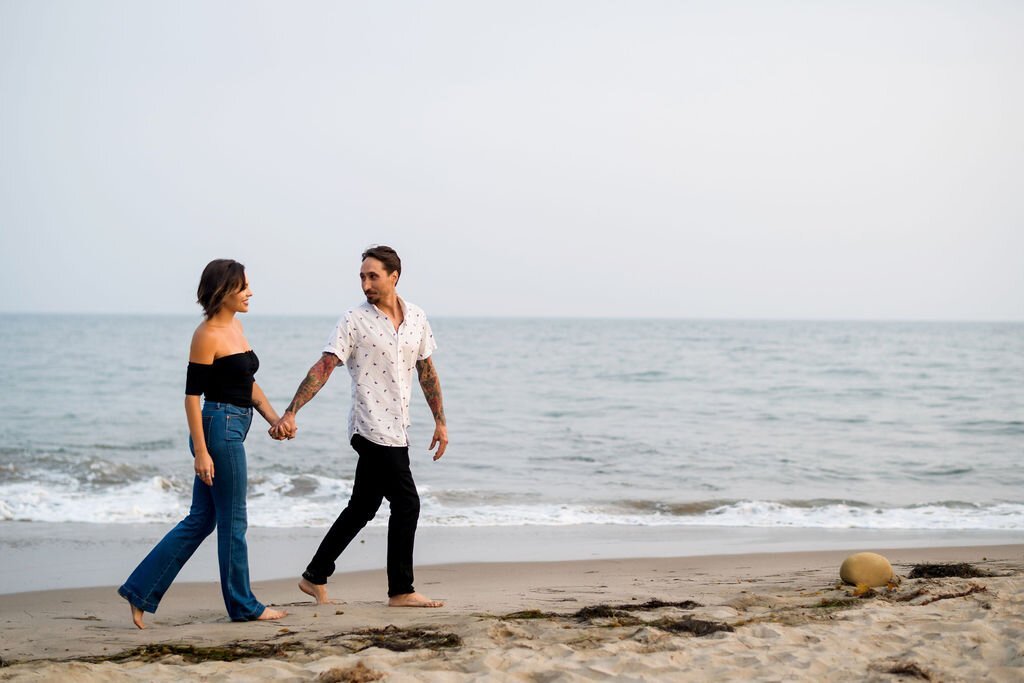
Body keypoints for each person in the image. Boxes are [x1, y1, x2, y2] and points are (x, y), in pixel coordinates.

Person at [270, 245, 448, 608]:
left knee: (363, 506)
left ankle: (314, 575)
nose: (366, 283)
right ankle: (401, 590)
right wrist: (291, 412)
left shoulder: (417, 318)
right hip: (369, 427)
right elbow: (324, 366)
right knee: (407, 503)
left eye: (373, 276)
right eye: (362, 277)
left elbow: (426, 371)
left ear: (394, 276)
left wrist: (440, 421)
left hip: (400, 428)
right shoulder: (354, 320)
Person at [118, 259, 288, 628]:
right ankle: (244, 606)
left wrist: (274, 419)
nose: (250, 293)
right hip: (218, 429)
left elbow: (247, 384)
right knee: (233, 521)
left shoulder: (237, 327)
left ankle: (139, 592)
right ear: (224, 290)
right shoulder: (207, 334)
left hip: (233, 424)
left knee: (201, 519)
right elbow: (192, 397)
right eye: (243, 286)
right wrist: (201, 452)